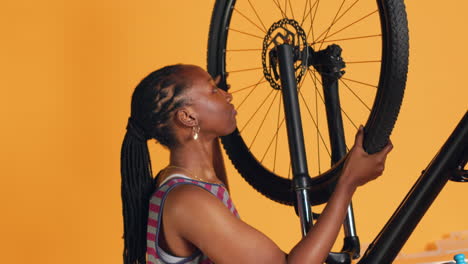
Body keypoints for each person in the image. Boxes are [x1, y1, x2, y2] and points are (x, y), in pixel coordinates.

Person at [120, 64, 393, 264]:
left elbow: (208, 144)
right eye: (213, 90)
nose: (227, 94)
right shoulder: (188, 202)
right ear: (188, 117)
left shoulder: (193, 178)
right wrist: (348, 183)